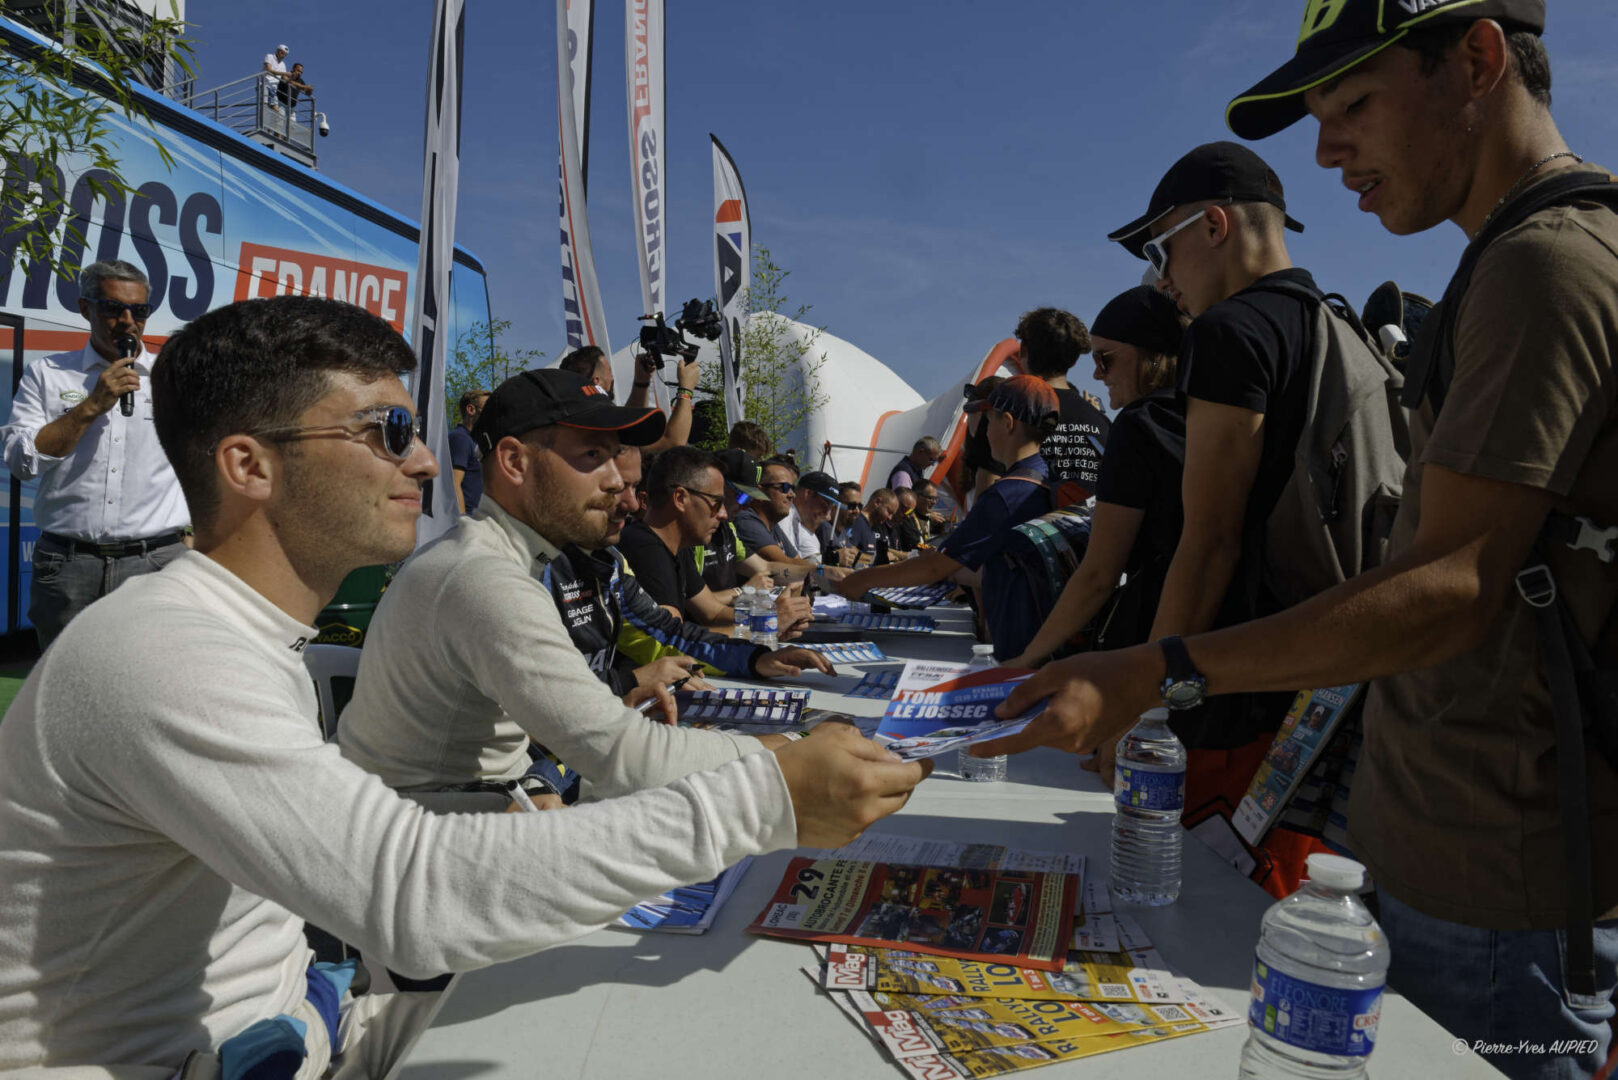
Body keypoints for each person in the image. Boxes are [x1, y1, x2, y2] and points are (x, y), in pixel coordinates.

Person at [0, 296, 930, 1074]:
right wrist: (765, 792)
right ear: (249, 465)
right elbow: (410, 889)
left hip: (304, 1027)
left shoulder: (238, 635)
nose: (419, 459)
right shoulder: (167, 649)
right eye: (385, 430)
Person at [985, 5, 1616, 1077]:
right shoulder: (1501, 259)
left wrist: (1157, 671)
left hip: (1494, 887)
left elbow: (1451, 584)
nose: (1326, 152)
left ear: (1476, 59)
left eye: (1353, 105)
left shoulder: (1542, 264)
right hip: (1436, 849)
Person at [542, 444, 832, 699]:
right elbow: (547, 695)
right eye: (613, 489)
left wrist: (756, 657)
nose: (630, 504)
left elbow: (671, 632)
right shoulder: (639, 546)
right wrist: (764, 625)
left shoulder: (611, 560)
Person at [0, 260, 188, 649]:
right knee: (63, 687)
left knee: (150, 681)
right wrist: (90, 406)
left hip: (154, 562)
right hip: (69, 565)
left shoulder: (172, 377)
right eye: (112, 308)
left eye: (139, 311)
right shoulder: (47, 374)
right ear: (86, 309)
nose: (127, 321)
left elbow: (204, 458)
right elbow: (22, 462)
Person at [1006, 286, 1187, 670]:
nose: (1096, 373)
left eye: (1106, 359)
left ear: (1151, 357)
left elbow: (1099, 575)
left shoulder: (1140, 426)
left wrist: (1027, 660)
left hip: (1152, 629)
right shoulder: (1202, 415)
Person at [835, 376, 1059, 657]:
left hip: (1022, 646)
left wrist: (863, 579)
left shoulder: (1007, 492)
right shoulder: (1045, 478)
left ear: (1007, 423)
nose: (983, 432)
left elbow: (935, 568)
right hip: (1042, 637)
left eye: (988, 419)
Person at [618, 447, 809, 635]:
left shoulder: (678, 546)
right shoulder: (644, 547)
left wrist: (770, 618)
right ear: (680, 498)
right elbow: (674, 642)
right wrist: (766, 626)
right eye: (716, 503)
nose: (724, 513)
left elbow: (713, 612)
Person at [1014, 307, 1112, 506]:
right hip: (1088, 532)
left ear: (1023, 350)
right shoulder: (1101, 422)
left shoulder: (1009, 415)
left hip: (1024, 532)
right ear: (1074, 360)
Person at [558, 345, 699, 452]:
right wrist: (686, 389)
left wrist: (641, 382)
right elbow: (671, 443)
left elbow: (630, 427)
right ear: (597, 381)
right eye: (609, 372)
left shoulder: (569, 420)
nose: (612, 377)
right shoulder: (600, 424)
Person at [732, 456, 809, 565]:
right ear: (760, 492)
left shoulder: (772, 525)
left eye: (793, 488)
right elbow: (786, 566)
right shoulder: (745, 521)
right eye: (784, 487)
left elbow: (797, 562)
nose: (792, 495)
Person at [782, 470, 842, 565]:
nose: (828, 514)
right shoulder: (784, 518)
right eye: (826, 503)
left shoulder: (798, 524)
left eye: (832, 507)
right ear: (808, 493)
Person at [449, 388, 488, 514]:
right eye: (488, 409)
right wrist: (463, 522)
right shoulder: (461, 438)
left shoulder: (475, 441)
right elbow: (454, 484)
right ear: (471, 410)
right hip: (467, 522)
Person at [846, 488, 899, 565]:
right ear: (877, 502)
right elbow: (848, 551)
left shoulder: (872, 528)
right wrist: (880, 558)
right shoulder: (858, 522)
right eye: (889, 512)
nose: (889, 518)